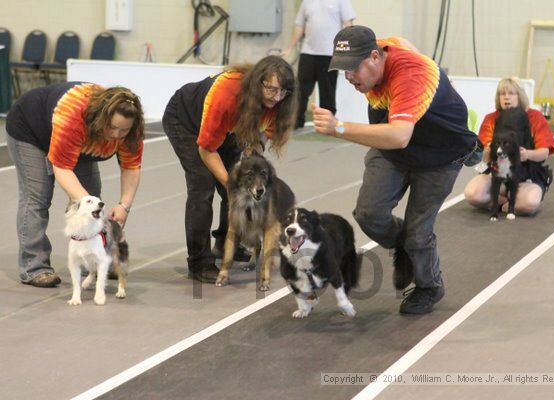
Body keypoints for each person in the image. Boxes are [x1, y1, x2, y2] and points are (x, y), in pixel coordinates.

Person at [312, 26, 480, 314]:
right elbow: (403, 42)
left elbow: (400, 134)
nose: (349, 77)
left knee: (418, 234)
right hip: (395, 145)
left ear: (375, 57)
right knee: (369, 214)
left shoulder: (409, 75)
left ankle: (429, 285)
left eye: (353, 68)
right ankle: (406, 245)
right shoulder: (384, 50)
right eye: (343, 70)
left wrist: (338, 127)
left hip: (440, 153)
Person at [162, 55, 297, 283]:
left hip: (227, 129)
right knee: (202, 187)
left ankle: (226, 247)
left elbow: (264, 134)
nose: (277, 97)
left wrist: (255, 151)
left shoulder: (280, 101)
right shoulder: (227, 96)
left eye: (282, 92)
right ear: (258, 82)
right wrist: (230, 183)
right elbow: (206, 150)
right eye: (272, 90)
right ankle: (199, 263)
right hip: (186, 120)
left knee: (242, 185)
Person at [6, 83, 145, 288]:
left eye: (123, 131)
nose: (116, 135)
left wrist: (124, 205)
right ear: (101, 118)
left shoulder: (131, 133)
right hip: (32, 130)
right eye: (112, 127)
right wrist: (89, 204)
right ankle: (34, 267)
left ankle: (96, 261)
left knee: (92, 199)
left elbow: (131, 166)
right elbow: (61, 167)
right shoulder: (74, 116)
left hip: (79, 142)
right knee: (38, 198)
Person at [464, 77, 554, 214]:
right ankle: (508, 202)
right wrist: (488, 152)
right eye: (502, 94)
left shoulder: (535, 117)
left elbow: (544, 152)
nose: (506, 98)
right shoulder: (491, 119)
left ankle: (505, 204)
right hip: (498, 174)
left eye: (511, 94)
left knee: (530, 203)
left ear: (520, 96)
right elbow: (484, 157)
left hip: (526, 177)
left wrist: (527, 155)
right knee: (473, 194)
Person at [282, 0, 356, 129]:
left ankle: (327, 122)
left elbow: (348, 25)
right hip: (308, 52)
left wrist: (346, 48)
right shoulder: (307, 2)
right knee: (301, 90)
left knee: (328, 90)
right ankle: (297, 120)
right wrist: (290, 47)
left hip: (330, 53)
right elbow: (300, 25)